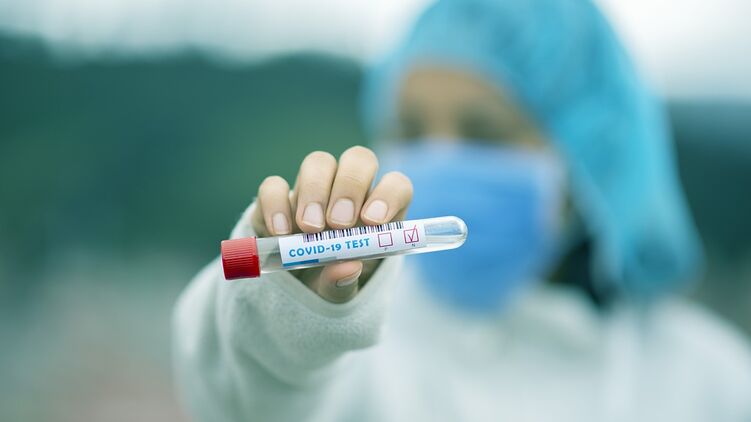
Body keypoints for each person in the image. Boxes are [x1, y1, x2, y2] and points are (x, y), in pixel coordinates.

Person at [173, 0, 751, 420]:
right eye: (409, 130)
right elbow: (250, 398)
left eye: (484, 133)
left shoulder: (712, 383)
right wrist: (288, 316)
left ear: (590, 159)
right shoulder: (362, 341)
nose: (439, 162)